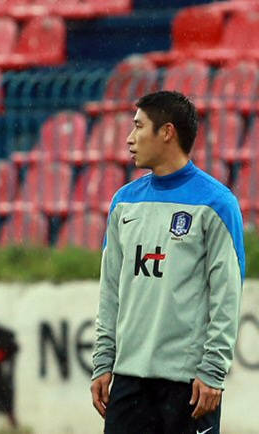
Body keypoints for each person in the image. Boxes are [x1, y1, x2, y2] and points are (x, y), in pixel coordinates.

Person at [90, 90, 244, 434]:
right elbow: (110, 290)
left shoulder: (217, 204)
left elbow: (227, 297)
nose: (129, 139)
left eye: (138, 127)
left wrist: (212, 371)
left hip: (187, 385)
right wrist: (103, 361)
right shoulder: (123, 203)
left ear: (167, 132)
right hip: (129, 382)